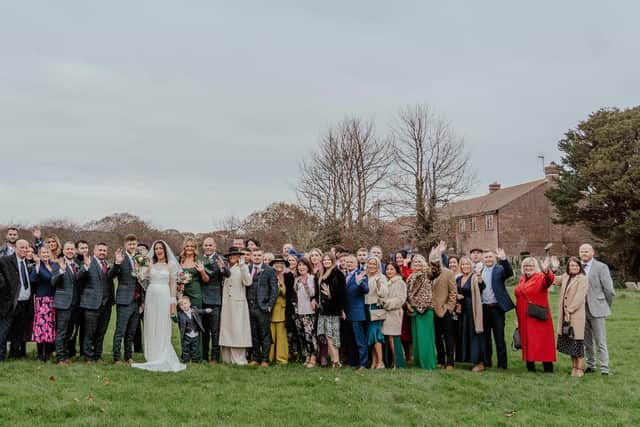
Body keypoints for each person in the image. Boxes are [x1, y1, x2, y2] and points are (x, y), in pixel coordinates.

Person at [131, 240, 185, 372]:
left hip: (164, 296)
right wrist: (139, 267)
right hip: (151, 296)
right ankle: (152, 355)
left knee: (162, 325)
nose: (158, 251)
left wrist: (173, 303)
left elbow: (173, 284)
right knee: (151, 324)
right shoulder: (151, 264)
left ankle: (162, 354)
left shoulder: (171, 265)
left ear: (165, 250)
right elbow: (141, 277)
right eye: (156, 249)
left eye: (160, 248)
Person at [514, 256, 556, 373]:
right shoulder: (522, 279)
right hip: (523, 316)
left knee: (543, 342)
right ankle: (530, 367)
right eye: (526, 266)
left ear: (535, 267)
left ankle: (548, 368)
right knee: (527, 341)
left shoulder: (540, 277)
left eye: (531, 266)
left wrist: (547, 271)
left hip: (537, 315)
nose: (528, 268)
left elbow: (549, 280)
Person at [579, 244, 615, 375]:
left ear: (592, 252)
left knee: (600, 340)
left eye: (586, 251)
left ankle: (604, 368)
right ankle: (590, 365)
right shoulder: (577, 267)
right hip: (581, 309)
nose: (584, 253)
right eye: (582, 251)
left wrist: (605, 306)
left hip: (597, 309)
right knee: (586, 341)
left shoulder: (601, 267)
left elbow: (609, 290)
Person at [78, 242, 116, 363]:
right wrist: (86, 267)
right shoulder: (88, 262)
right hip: (91, 304)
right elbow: (78, 278)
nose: (102, 252)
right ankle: (88, 356)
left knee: (101, 332)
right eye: (100, 250)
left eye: (104, 251)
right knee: (89, 332)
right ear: (94, 250)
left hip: (106, 304)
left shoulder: (107, 264)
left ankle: (98, 356)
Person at [111, 234, 144, 364]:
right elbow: (111, 275)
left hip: (137, 300)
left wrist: (142, 301)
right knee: (121, 330)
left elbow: (143, 280)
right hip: (124, 300)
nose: (132, 246)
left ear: (136, 244)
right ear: (125, 245)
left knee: (131, 332)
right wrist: (117, 263)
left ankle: (128, 356)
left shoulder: (140, 259)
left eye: (134, 244)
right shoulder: (122, 258)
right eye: (129, 244)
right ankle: (117, 357)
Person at [480, 249, 514, 369]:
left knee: (499, 336)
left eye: (490, 257)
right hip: (484, 308)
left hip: (496, 309)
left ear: (494, 258)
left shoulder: (499, 269)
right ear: (483, 259)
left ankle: (502, 364)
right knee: (485, 337)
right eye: (486, 257)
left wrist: (504, 259)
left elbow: (509, 273)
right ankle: (487, 361)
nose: (488, 259)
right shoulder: (480, 271)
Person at [554, 257, 589, 377]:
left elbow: (580, 297)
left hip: (575, 315)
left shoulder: (582, 279)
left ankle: (579, 369)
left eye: (576, 265)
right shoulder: (566, 276)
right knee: (570, 342)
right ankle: (573, 367)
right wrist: (552, 268)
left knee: (577, 341)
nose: (573, 267)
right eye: (571, 265)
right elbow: (554, 280)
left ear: (580, 267)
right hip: (565, 315)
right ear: (568, 267)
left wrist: (570, 310)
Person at [219, 247, 252, 365]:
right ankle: (227, 357)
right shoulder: (226, 268)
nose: (233, 257)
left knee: (237, 330)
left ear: (239, 256)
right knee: (228, 330)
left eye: (235, 255)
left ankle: (239, 358)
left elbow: (248, 282)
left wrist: (243, 266)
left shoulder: (243, 267)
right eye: (231, 255)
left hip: (238, 304)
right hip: (227, 304)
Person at [0, 239, 32, 361]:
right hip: (9, 304)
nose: (24, 250)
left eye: (26, 248)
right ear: (16, 248)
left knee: (19, 331)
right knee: (3, 331)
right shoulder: (5, 261)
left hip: (24, 303)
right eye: (22, 247)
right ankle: (1, 357)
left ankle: (14, 354)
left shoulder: (28, 262)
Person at [178, 238, 209, 361]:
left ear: (195, 248)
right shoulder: (180, 260)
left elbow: (206, 279)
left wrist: (201, 271)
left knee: (196, 322)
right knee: (183, 323)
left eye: (192, 246)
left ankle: (197, 355)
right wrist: (179, 283)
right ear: (184, 248)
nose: (189, 248)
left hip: (196, 293)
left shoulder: (199, 260)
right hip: (183, 293)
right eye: (187, 246)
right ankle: (185, 354)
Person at [247, 248, 278, 367]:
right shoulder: (248, 268)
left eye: (259, 255)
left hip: (263, 307)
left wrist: (270, 305)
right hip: (250, 306)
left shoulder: (269, 270)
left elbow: (274, 289)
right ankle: (255, 358)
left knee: (264, 334)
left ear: (262, 256)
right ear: (251, 256)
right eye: (254, 255)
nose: (256, 257)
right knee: (253, 334)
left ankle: (265, 359)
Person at [200, 237, 229, 364]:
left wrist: (222, 267)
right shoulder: (200, 259)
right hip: (201, 298)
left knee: (215, 330)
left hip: (215, 298)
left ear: (215, 246)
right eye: (205, 245)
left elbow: (227, 274)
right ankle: (204, 355)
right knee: (204, 330)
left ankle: (215, 357)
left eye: (210, 245)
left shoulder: (220, 259)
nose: (207, 247)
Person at [405, 254, 436, 370]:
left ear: (423, 263)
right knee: (417, 339)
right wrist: (408, 305)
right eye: (415, 262)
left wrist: (434, 256)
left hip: (425, 309)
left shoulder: (427, 274)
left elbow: (436, 270)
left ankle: (428, 364)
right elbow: (408, 294)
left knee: (425, 338)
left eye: (419, 262)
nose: (417, 264)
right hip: (413, 310)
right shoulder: (410, 277)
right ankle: (418, 363)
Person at [52, 242, 81, 365]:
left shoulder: (76, 264)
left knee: (69, 332)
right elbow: (53, 281)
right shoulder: (57, 264)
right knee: (62, 331)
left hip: (75, 304)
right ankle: (60, 358)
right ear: (63, 250)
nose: (70, 251)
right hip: (63, 304)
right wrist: (61, 271)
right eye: (67, 249)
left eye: (72, 249)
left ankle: (65, 355)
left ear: (75, 251)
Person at [455, 257, 485, 372]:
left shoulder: (474, 277)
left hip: (473, 310)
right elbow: (455, 291)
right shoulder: (459, 279)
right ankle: (468, 359)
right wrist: (457, 296)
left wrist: (480, 280)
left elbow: (482, 287)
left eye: (467, 264)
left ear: (471, 266)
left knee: (474, 334)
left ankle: (479, 362)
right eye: (463, 265)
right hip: (462, 311)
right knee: (464, 334)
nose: (465, 266)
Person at [29, 246, 59, 362]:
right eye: (43, 253)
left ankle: (48, 352)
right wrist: (37, 265)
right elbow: (33, 279)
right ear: (39, 254)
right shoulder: (38, 265)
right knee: (41, 327)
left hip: (54, 299)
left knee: (50, 326)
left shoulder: (54, 265)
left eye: (47, 252)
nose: (45, 254)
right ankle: (40, 354)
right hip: (42, 300)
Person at [317, 253, 346, 368]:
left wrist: (331, 294)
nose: (326, 261)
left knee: (332, 336)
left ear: (333, 261)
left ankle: (336, 361)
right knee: (327, 336)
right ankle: (335, 360)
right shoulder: (321, 273)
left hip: (333, 309)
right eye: (324, 260)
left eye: (329, 260)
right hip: (323, 310)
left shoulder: (337, 273)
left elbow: (343, 292)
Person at [430, 250, 458, 370]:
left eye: (437, 258)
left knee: (448, 337)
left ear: (441, 260)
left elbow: (453, 292)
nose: (436, 260)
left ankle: (450, 362)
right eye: (433, 258)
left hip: (444, 309)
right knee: (436, 337)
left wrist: (449, 307)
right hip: (431, 310)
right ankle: (440, 360)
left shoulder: (448, 273)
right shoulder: (428, 273)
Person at [343, 255, 369, 370]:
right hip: (346, 312)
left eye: (351, 262)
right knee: (350, 339)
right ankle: (352, 362)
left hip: (357, 312)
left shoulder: (361, 274)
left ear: (356, 263)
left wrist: (359, 283)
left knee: (360, 340)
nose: (349, 264)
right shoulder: (344, 275)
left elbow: (366, 289)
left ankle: (363, 363)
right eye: (347, 262)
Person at [293, 257, 319, 368]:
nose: (301, 267)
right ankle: (307, 355)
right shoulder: (296, 279)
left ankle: (313, 357)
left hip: (309, 311)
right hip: (299, 311)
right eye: (299, 265)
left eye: (304, 265)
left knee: (310, 335)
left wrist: (305, 284)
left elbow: (313, 294)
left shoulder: (312, 278)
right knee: (302, 335)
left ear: (308, 267)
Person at [381, 263, 407, 368]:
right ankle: (389, 362)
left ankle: (398, 362)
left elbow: (400, 299)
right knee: (387, 337)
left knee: (393, 337)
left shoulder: (400, 283)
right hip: (385, 313)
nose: (389, 271)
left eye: (392, 269)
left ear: (396, 270)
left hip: (394, 313)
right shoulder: (385, 282)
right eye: (387, 269)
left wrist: (386, 303)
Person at [173, 296, 212, 363]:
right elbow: (177, 320)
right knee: (186, 348)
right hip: (186, 335)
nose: (184, 306)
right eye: (181, 305)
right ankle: (186, 360)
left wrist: (206, 310)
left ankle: (194, 360)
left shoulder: (194, 310)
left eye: (185, 303)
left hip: (195, 334)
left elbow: (200, 311)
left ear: (189, 303)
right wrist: (173, 316)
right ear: (179, 307)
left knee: (194, 348)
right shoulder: (180, 314)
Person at [365, 256, 388, 369]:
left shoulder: (381, 277)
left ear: (378, 265)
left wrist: (379, 286)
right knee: (371, 335)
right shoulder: (365, 276)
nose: (372, 266)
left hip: (375, 308)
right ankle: (374, 362)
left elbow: (384, 293)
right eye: (370, 263)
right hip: (366, 308)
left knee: (375, 334)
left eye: (374, 264)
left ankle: (381, 362)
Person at [269, 255, 292, 364]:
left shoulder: (288, 276)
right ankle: (269, 357)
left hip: (283, 310)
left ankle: (281, 358)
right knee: (270, 335)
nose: (279, 265)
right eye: (277, 263)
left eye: (281, 263)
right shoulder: (269, 275)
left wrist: (281, 286)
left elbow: (290, 294)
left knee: (281, 336)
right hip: (270, 309)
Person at [69, 239, 90, 358]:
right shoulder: (74, 262)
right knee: (74, 328)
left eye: (86, 248)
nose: (84, 250)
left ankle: (83, 351)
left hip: (87, 300)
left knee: (85, 328)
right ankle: (71, 351)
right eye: (82, 248)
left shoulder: (90, 261)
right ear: (77, 250)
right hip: (76, 300)